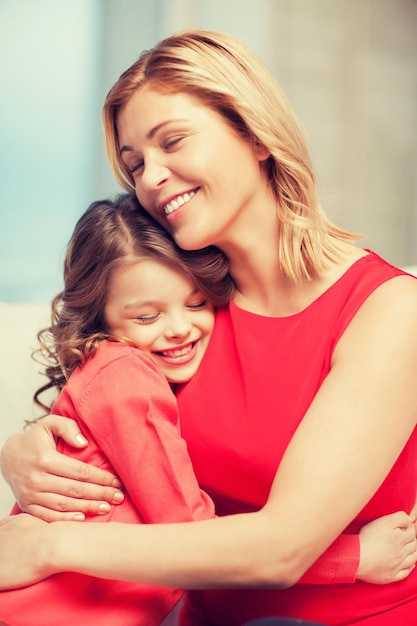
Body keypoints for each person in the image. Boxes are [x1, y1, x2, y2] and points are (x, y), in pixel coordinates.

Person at [1, 29, 417, 625]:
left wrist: (47, 547)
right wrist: (21, 455)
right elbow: (108, 419)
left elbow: (281, 549)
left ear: (254, 134)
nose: (150, 177)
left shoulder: (389, 310)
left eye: (172, 142)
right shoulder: (185, 313)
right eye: (135, 163)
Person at [0, 192, 233, 626]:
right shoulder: (124, 373)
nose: (180, 328)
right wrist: (353, 559)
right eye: (147, 317)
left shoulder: (118, 373)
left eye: (197, 303)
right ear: (100, 320)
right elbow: (193, 534)